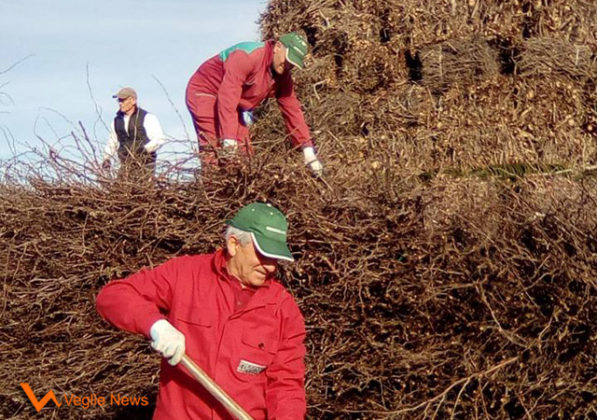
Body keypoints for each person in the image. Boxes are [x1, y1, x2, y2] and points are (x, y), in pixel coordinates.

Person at [96, 202, 307, 419]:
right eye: (263, 255)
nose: (271, 266)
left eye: (275, 258)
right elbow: (113, 296)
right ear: (234, 244)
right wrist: (155, 325)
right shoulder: (186, 275)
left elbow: (287, 384)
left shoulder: (283, 309)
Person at [185, 32, 323, 176]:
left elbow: (293, 110)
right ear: (277, 47)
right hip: (206, 92)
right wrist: (229, 140)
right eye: (287, 59)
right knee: (215, 147)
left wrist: (308, 151)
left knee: (245, 155)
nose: (287, 66)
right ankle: (213, 188)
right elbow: (227, 97)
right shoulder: (247, 56)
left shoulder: (283, 75)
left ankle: (240, 192)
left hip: (233, 103)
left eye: (292, 64)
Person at [102, 87, 166, 178]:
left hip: (145, 165)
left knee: (143, 191)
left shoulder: (147, 118)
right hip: (125, 166)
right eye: (119, 101)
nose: (120, 103)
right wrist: (106, 158)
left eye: (123, 100)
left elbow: (160, 139)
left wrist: (144, 150)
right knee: (120, 189)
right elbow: (112, 142)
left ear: (133, 100)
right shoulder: (116, 122)